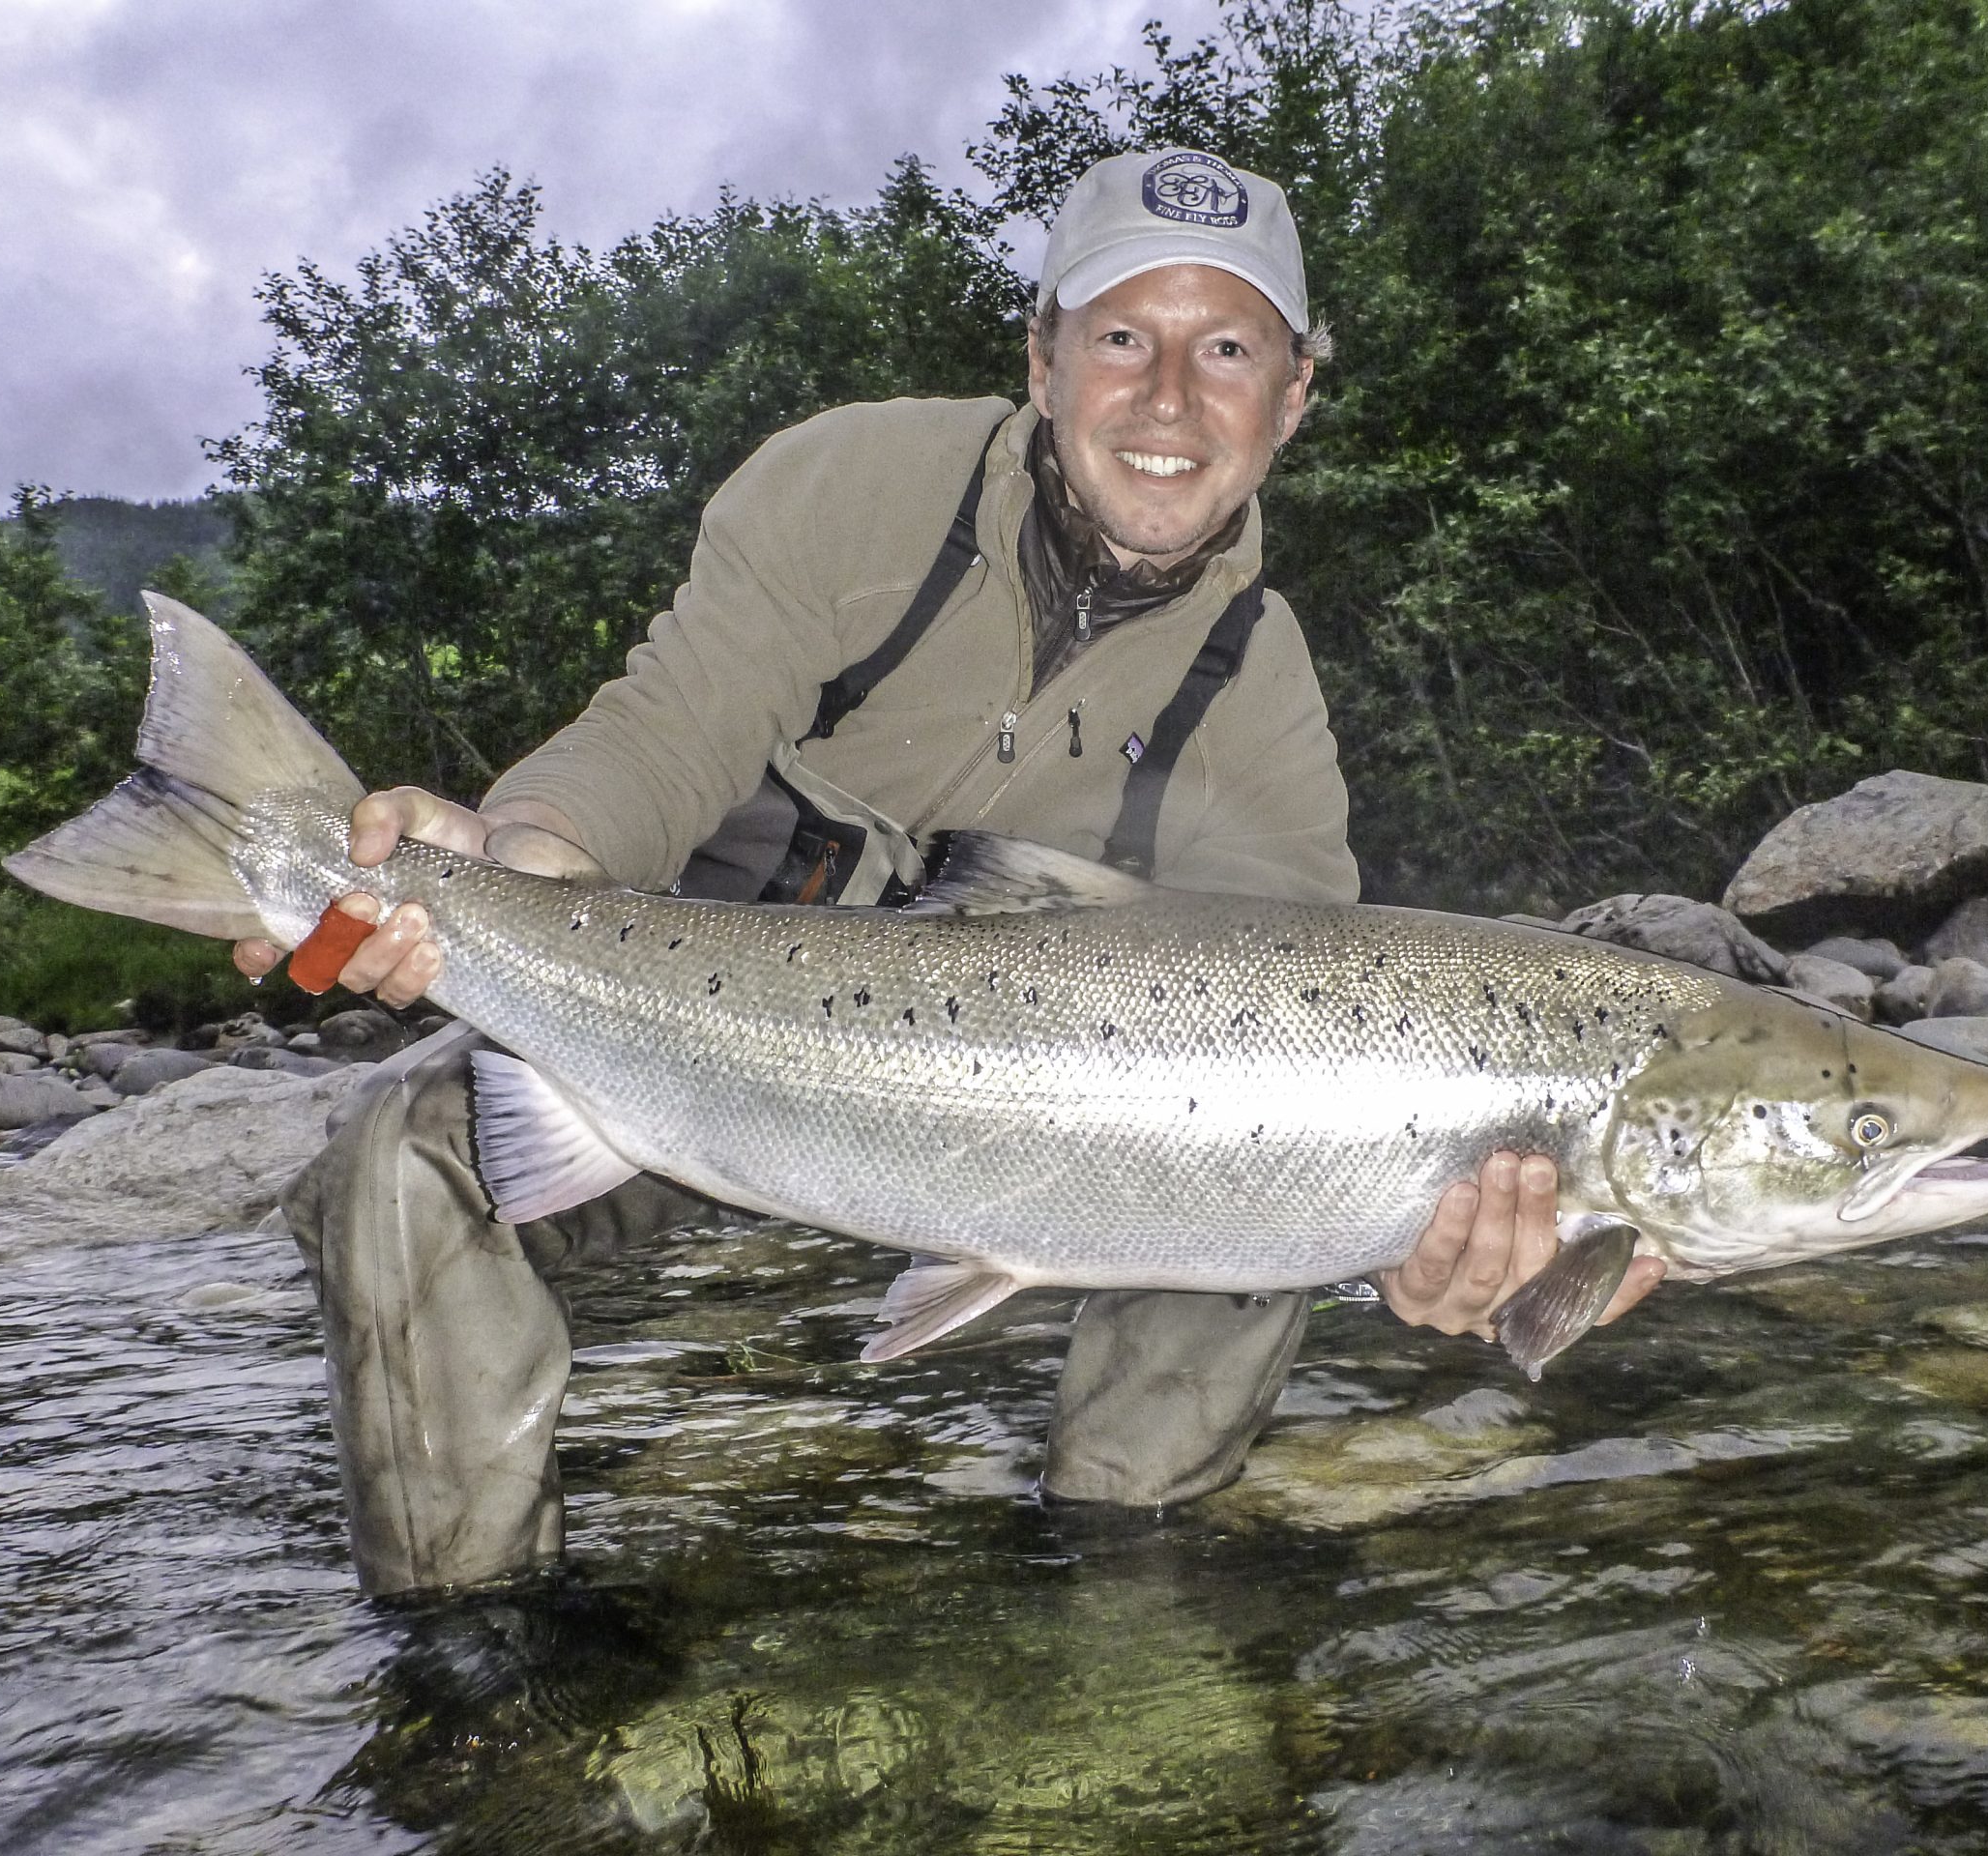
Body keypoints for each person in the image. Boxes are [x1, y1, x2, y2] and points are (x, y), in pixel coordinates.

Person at [241, 147, 1662, 1596]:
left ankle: (1113, 1581)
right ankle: (470, 1646)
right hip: (694, 1037)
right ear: (1042, 360)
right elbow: (660, 737)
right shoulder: (848, 489)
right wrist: (515, 866)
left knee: (1261, 1204)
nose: (1169, 398)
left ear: (1291, 396)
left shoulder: (1262, 693)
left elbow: (1312, 1048)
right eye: (1122, 337)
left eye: (1226, 348)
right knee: (393, 1161)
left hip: (1050, 1111)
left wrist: (1412, 1260)